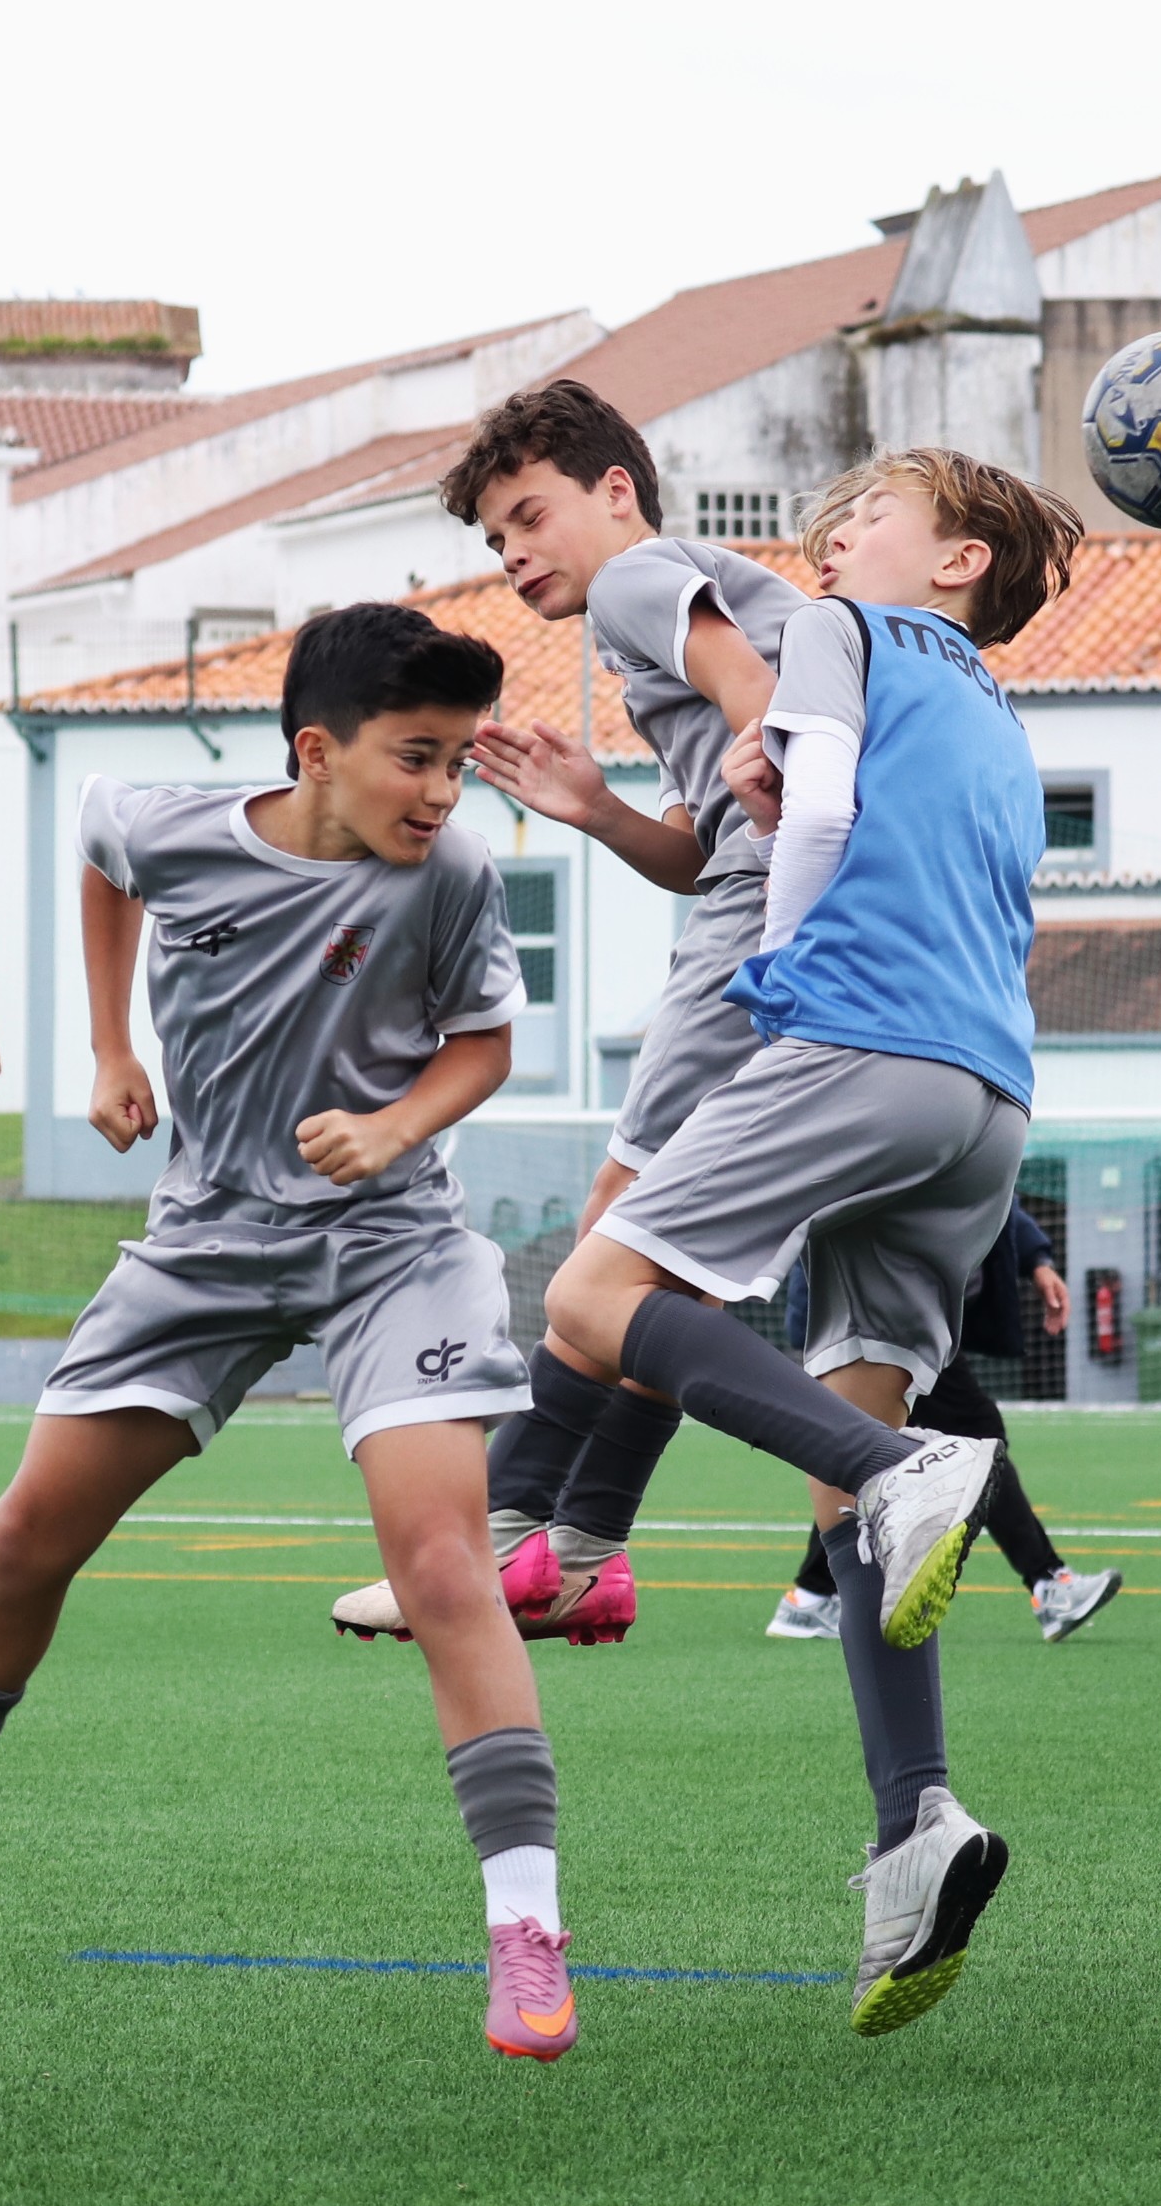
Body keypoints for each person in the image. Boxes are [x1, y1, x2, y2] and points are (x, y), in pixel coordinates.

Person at [0, 607, 579, 2064]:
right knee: (30, 1532)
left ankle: (524, 1926)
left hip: (392, 1242)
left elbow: (484, 1042)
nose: (442, 791)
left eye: (459, 762)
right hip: (206, 1237)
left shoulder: (455, 873)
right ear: (315, 750)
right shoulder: (167, 819)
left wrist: (396, 1124)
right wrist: (108, 1046)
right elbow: (105, 860)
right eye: (417, 757)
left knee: (438, 1560)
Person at [536, 447, 1084, 2034]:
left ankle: (896, 1483)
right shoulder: (994, 706)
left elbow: (815, 793)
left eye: (869, 514)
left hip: (861, 1038)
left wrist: (780, 955)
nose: (834, 537)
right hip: (987, 1095)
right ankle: (919, 1825)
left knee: (595, 1285)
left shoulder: (845, 630)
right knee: (847, 1452)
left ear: (958, 556)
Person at [334, 380, 807, 1647]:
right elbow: (706, 844)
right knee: (673, 1271)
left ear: (614, 492)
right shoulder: (651, 607)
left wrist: (765, 757)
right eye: (492, 540)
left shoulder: (639, 578)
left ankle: (508, 1535)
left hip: (763, 923)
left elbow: (745, 689)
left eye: (527, 516)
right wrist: (596, 810)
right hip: (793, 914)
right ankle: (586, 1552)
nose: (513, 554)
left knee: (612, 1235)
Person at [767, 1202, 1123, 1642]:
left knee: (871, 1454)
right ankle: (1049, 1583)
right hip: (879, 1312)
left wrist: (1036, 1259)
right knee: (974, 1441)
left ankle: (812, 1595)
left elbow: (992, 1187)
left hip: (904, 1312)